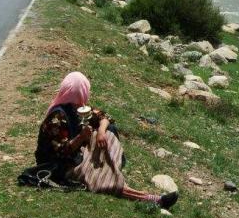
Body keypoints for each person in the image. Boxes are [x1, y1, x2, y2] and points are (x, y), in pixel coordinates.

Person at [35, 71, 178, 208]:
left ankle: (111, 171)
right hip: (60, 165)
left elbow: (105, 117)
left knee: (108, 133)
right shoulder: (57, 117)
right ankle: (149, 198)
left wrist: (101, 132)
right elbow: (60, 151)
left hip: (76, 154)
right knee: (99, 177)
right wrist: (81, 137)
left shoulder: (77, 108)